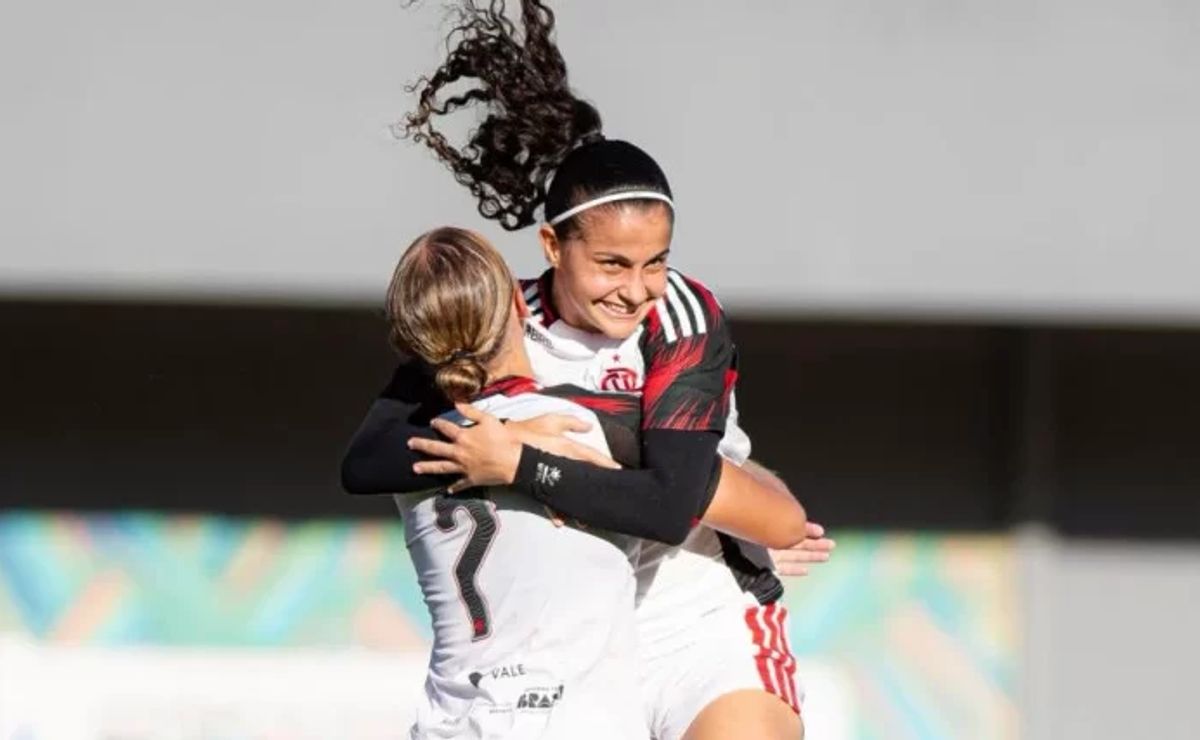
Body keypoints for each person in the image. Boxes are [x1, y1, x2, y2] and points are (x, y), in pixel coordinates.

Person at [343, 2, 832, 737]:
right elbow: (372, 454)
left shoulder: (682, 317)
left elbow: (670, 503)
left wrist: (520, 456)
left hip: (698, 614)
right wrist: (478, 449)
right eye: (611, 263)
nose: (636, 288)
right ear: (550, 247)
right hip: (578, 644)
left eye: (655, 262)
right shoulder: (500, 320)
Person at [384, 227, 649, 739]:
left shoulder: (413, 454)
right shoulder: (582, 424)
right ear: (517, 304)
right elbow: (732, 504)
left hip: (449, 724)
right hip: (569, 722)